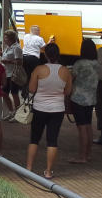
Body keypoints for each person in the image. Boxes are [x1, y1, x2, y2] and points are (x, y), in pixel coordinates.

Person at [26, 43, 72, 179]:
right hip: (57, 109)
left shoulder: (39, 69)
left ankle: (28, 169)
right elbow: (68, 91)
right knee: (52, 140)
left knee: (34, 139)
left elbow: (31, 89)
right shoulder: (65, 71)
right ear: (58, 54)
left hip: (39, 107)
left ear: (45, 54)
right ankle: (48, 171)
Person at [68, 39, 99, 164]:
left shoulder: (79, 64)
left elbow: (71, 78)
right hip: (91, 98)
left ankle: (81, 157)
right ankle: (88, 154)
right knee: (88, 127)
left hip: (78, 98)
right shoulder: (97, 64)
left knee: (81, 129)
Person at [0, 29, 23, 121]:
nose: (4, 40)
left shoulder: (16, 48)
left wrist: (9, 61)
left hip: (13, 73)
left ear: (11, 39)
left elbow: (20, 62)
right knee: (4, 93)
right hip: (7, 73)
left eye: (6, 38)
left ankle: (17, 114)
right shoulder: (8, 47)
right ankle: (11, 111)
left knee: (14, 93)